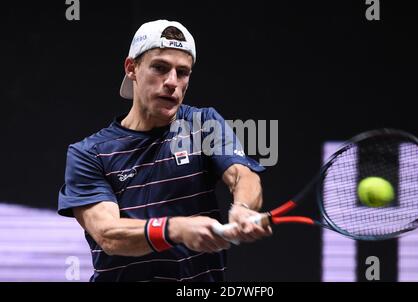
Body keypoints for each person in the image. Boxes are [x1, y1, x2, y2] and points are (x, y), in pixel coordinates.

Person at [58, 20, 272, 282]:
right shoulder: (89, 153)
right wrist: (174, 229)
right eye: (160, 68)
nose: (172, 82)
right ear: (132, 68)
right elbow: (108, 234)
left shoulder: (203, 124)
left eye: (182, 72)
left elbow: (243, 176)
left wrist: (243, 207)